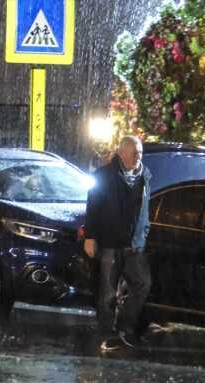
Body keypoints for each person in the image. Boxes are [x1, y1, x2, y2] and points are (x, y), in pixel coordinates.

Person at [84, 135, 152, 350]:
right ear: (122, 153)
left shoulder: (144, 177)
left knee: (143, 283)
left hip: (134, 244)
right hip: (111, 242)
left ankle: (125, 329)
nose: (138, 157)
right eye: (134, 153)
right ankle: (106, 333)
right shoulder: (105, 176)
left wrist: (143, 232)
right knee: (108, 293)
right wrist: (90, 236)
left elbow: (144, 210)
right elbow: (93, 207)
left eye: (140, 153)